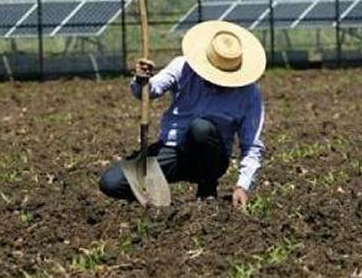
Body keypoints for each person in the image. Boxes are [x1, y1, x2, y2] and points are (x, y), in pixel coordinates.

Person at [98, 20, 266, 207]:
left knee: (200, 128)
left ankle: (207, 191)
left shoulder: (249, 93)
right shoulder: (182, 67)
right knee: (111, 183)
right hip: (173, 151)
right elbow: (149, 91)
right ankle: (158, 200)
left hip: (212, 159)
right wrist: (141, 79)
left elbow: (251, 146)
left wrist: (242, 186)